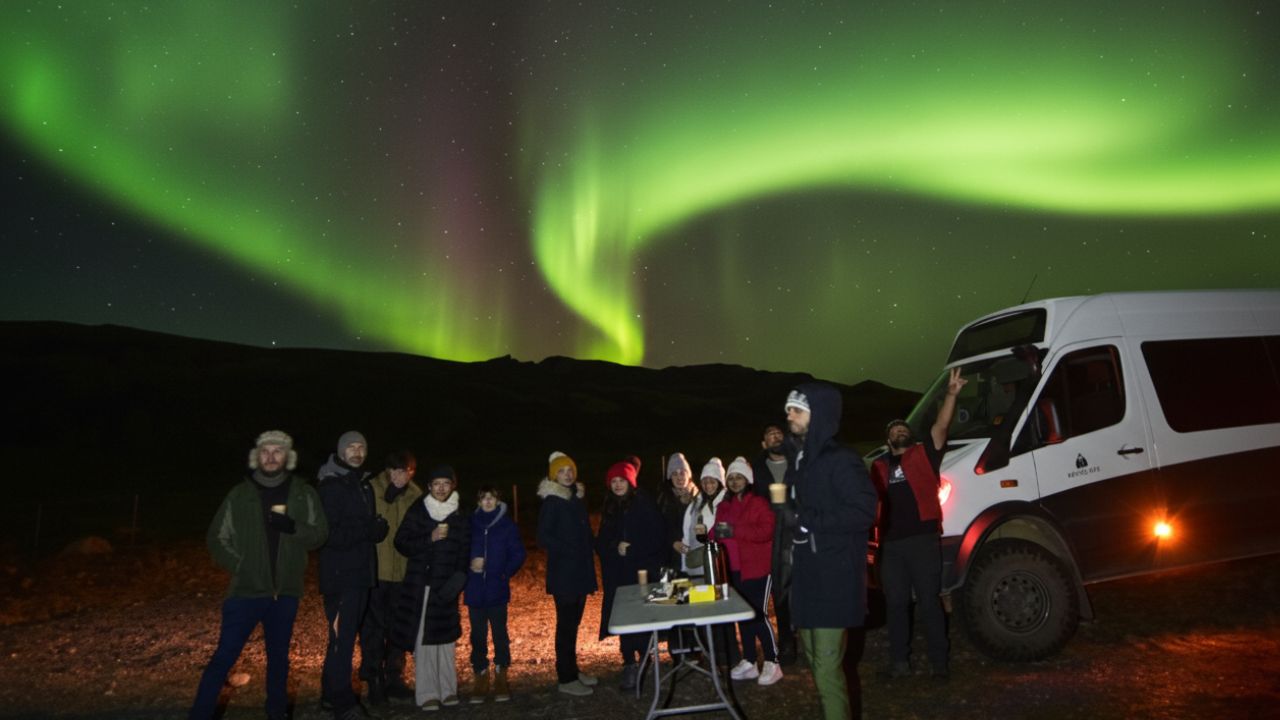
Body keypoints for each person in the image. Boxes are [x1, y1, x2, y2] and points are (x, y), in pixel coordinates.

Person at [189, 430, 327, 720]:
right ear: (257, 456)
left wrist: (293, 527)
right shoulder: (239, 494)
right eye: (266, 451)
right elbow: (217, 537)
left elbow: (319, 534)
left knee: (279, 660)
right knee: (224, 657)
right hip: (245, 592)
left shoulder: (303, 492)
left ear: (287, 456)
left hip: (286, 592)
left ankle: (276, 714)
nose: (271, 456)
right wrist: (240, 565)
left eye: (278, 451)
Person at [774, 384, 878, 720]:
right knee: (816, 664)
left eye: (797, 409)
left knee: (827, 668)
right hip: (808, 578)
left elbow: (865, 510)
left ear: (819, 415)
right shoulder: (799, 461)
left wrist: (805, 520)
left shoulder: (841, 459)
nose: (789, 414)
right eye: (789, 408)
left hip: (834, 577)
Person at [871, 366, 966, 681]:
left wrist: (951, 394)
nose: (899, 430)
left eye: (903, 427)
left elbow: (941, 424)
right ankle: (900, 663)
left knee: (929, 602)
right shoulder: (878, 467)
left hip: (923, 540)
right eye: (894, 429)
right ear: (887, 439)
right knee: (896, 605)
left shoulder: (925, 454)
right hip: (891, 546)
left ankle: (940, 663)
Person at [317, 431, 387, 720]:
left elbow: (359, 526)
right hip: (340, 574)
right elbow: (327, 534)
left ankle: (330, 697)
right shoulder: (331, 486)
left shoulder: (361, 484)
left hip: (359, 572)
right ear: (341, 451)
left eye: (361, 447)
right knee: (342, 639)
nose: (357, 452)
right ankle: (344, 703)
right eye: (351, 448)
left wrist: (375, 529)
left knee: (342, 637)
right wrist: (367, 531)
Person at [392, 465, 471, 711]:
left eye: (446, 483)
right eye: (436, 483)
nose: (441, 488)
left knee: (445, 639)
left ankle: (448, 689)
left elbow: (464, 548)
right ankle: (427, 693)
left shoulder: (458, 513)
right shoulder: (419, 510)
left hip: (446, 586)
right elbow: (401, 542)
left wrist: (458, 579)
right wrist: (430, 537)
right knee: (424, 639)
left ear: (453, 486)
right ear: (429, 487)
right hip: (422, 585)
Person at [595, 455, 665, 691]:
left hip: (642, 572)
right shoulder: (610, 506)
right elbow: (602, 541)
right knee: (623, 617)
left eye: (621, 480)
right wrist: (614, 547)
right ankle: (629, 663)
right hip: (619, 572)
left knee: (642, 614)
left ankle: (646, 659)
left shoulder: (644, 504)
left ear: (630, 482)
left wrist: (634, 548)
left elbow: (657, 537)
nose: (617, 485)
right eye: (613, 480)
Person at [712, 457, 782, 686]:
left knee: (757, 614)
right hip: (733, 568)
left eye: (738, 477)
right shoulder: (724, 505)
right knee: (743, 615)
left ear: (748, 480)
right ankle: (750, 660)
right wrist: (708, 534)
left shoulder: (759, 503)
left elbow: (766, 531)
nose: (734, 481)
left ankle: (773, 661)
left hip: (758, 567)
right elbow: (718, 531)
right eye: (731, 478)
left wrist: (735, 530)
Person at [359, 450, 422, 705]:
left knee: (399, 628)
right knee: (373, 628)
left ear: (412, 473)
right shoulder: (371, 490)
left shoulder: (416, 495)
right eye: (394, 470)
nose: (399, 476)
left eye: (405, 472)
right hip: (377, 571)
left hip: (403, 573)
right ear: (387, 470)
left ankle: (394, 678)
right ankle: (373, 680)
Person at [535, 451, 600, 696]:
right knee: (566, 625)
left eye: (570, 470)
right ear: (554, 476)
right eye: (561, 471)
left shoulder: (575, 498)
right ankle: (565, 677)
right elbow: (543, 536)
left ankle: (572, 669)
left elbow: (584, 533)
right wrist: (570, 549)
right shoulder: (553, 501)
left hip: (580, 571)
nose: (567, 474)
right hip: (564, 574)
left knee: (574, 623)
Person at [464, 484, 527, 703]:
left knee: (500, 633)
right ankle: (480, 673)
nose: (488, 501)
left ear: (498, 501)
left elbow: (518, 552)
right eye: (484, 498)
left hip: (497, 589)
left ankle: (501, 673)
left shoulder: (507, 525)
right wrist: (468, 566)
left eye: (492, 498)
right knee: (477, 635)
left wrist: (503, 572)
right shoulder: (470, 524)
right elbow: (461, 550)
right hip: (474, 590)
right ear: (478, 501)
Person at [753, 422, 799, 665]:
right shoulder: (757, 469)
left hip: (801, 531)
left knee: (805, 585)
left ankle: (811, 636)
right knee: (780, 590)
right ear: (764, 443)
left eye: (779, 434)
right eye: (770, 435)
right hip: (774, 536)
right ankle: (787, 643)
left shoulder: (799, 461)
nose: (775, 437)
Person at [656, 453, 697, 571]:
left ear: (688, 475)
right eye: (674, 474)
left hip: (695, 553)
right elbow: (660, 526)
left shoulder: (699, 497)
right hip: (672, 556)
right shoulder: (663, 498)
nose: (679, 477)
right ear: (670, 477)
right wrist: (673, 541)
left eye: (682, 472)